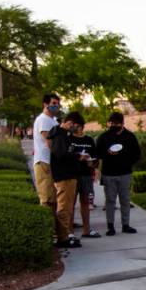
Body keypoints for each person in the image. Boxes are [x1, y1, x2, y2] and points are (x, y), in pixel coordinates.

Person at [48, 111, 91, 248]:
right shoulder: (60, 136)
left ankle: (64, 235)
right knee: (64, 208)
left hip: (69, 175)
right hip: (64, 176)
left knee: (66, 207)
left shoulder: (62, 135)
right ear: (70, 123)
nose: (76, 130)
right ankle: (63, 238)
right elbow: (62, 155)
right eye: (75, 126)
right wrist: (78, 156)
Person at [97, 112, 141, 236]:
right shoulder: (104, 137)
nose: (113, 126)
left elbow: (137, 154)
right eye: (111, 123)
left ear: (122, 123)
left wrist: (127, 162)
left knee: (125, 200)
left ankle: (125, 225)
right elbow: (97, 153)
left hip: (125, 173)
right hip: (108, 173)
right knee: (110, 200)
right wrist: (107, 153)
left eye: (116, 123)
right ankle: (110, 226)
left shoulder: (130, 136)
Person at [32, 94, 61, 237]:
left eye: (58, 103)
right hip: (44, 163)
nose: (56, 105)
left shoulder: (53, 120)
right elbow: (50, 141)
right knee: (47, 199)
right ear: (45, 104)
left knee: (54, 199)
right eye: (54, 103)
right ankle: (46, 233)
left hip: (51, 163)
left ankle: (55, 230)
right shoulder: (43, 120)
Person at [68, 120, 100, 238]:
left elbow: (95, 158)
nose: (75, 128)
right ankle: (69, 232)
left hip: (86, 174)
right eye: (73, 126)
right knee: (70, 203)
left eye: (77, 126)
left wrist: (93, 164)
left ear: (81, 127)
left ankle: (86, 230)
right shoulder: (68, 139)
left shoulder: (89, 140)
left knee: (85, 202)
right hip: (72, 174)